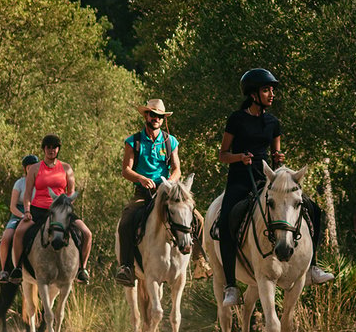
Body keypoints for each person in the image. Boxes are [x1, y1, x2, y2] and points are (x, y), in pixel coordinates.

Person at [217, 68, 334, 308]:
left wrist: (278, 159)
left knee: (312, 208)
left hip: (268, 179)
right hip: (240, 179)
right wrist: (240, 157)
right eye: (266, 90)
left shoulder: (273, 122)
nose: (271, 94)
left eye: (272, 90)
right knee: (225, 219)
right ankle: (230, 285)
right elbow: (223, 155)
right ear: (253, 94)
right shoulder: (236, 119)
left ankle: (312, 267)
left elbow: (275, 156)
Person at [116, 99, 202, 286]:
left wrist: (170, 184)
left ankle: (200, 260)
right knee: (127, 220)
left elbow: (177, 169)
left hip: (167, 192)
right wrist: (141, 178)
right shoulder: (134, 141)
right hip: (143, 192)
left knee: (197, 218)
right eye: (153, 115)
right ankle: (126, 267)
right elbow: (126, 170)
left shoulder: (170, 141)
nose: (156, 119)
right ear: (146, 116)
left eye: (160, 116)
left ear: (163, 120)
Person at [11, 135, 93, 283]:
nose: (51, 150)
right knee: (19, 232)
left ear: (58, 149)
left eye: (54, 147)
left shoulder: (67, 168)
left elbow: (71, 193)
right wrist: (27, 211)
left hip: (60, 211)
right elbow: (28, 194)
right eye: (48, 147)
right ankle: (17, 268)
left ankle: (82, 269)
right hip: (38, 209)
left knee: (87, 233)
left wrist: (65, 207)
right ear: (44, 149)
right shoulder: (35, 169)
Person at [0, 155, 37, 281]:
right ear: (25, 169)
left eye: (34, 167)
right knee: (6, 237)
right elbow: (12, 206)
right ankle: (4, 270)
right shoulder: (19, 183)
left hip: (37, 212)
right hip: (19, 213)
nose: (32, 170)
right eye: (29, 167)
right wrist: (22, 216)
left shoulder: (42, 183)